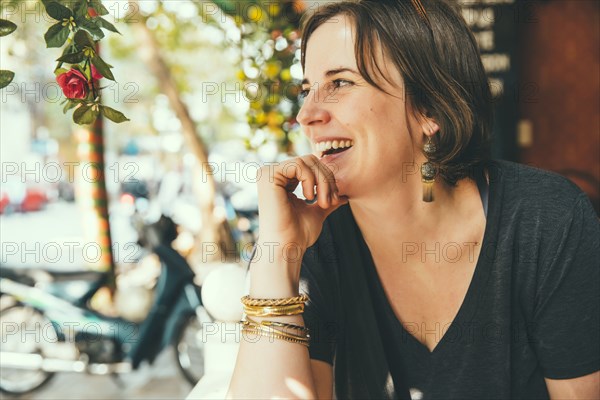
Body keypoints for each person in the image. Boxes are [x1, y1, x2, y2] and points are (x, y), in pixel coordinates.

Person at [226, 0, 600, 398]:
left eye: (340, 83)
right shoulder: (321, 244)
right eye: (307, 89)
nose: (306, 114)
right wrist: (278, 252)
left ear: (430, 107)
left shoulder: (546, 221)